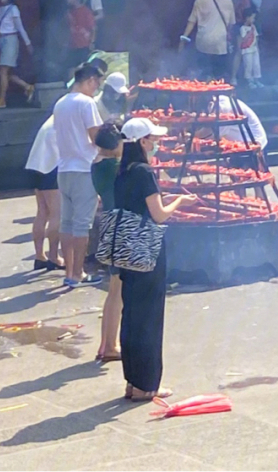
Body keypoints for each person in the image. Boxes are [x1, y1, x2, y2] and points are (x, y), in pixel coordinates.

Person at [115, 117, 198, 401]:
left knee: (132, 314)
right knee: (149, 316)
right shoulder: (144, 172)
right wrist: (180, 202)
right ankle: (146, 384)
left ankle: (133, 380)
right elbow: (159, 214)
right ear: (143, 142)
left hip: (127, 247)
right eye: (153, 138)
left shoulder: (123, 171)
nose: (157, 143)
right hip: (147, 247)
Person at [53, 63, 104, 287]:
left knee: (67, 222)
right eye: (97, 83)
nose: (96, 88)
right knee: (82, 225)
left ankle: (69, 273)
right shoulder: (86, 102)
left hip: (64, 168)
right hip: (84, 168)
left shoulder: (60, 103)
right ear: (90, 80)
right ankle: (78, 272)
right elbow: (96, 137)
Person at [91, 124, 124, 364]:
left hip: (109, 223)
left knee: (114, 289)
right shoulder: (114, 167)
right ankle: (110, 344)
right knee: (117, 290)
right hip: (119, 226)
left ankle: (107, 342)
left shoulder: (98, 164)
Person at [24, 114, 63, 271]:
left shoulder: (52, 119)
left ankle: (40, 256)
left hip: (36, 165)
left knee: (42, 212)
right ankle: (54, 257)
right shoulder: (66, 118)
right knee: (56, 213)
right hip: (51, 166)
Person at [180, 0, 236, 82]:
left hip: (203, 41)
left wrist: (184, 36)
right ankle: (217, 93)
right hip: (220, 42)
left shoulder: (200, 0)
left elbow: (192, 21)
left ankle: (203, 92)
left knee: (203, 71)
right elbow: (231, 23)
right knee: (218, 74)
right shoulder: (228, 1)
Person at [0, 0, 35, 106]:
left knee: (3, 71)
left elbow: (20, 28)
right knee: (7, 73)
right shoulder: (2, 9)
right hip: (2, 41)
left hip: (10, 40)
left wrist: (27, 43)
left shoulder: (13, 9)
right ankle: (27, 87)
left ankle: (1, 100)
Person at [65, 0, 97, 73]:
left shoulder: (85, 11)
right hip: (72, 45)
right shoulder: (70, 12)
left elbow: (93, 28)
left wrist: (91, 43)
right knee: (71, 68)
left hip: (84, 45)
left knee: (82, 68)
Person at [236, 8, 262, 88]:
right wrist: (250, 32)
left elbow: (256, 37)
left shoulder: (253, 27)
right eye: (252, 18)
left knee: (256, 65)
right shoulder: (243, 28)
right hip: (247, 50)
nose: (253, 20)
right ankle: (249, 81)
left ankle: (256, 80)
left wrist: (257, 48)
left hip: (254, 49)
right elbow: (243, 39)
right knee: (248, 65)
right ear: (247, 18)